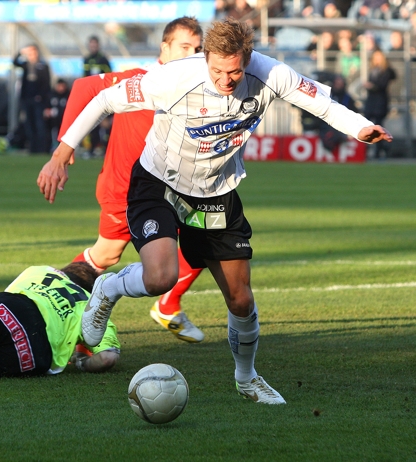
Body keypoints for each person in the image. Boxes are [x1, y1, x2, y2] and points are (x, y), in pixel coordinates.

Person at [42, 19, 392, 405]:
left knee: (240, 299)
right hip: (159, 180)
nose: (226, 79)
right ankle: (108, 289)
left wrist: (359, 128)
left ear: (248, 59)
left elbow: (321, 103)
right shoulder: (175, 78)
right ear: (205, 58)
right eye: (218, 70)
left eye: (235, 71)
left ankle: (247, 378)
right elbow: (104, 99)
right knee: (160, 276)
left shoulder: (272, 73)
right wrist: (62, 152)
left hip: (216, 191)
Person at [38, 17, 205, 344]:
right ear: (165, 47)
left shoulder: (196, 84)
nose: (192, 54)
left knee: (208, 236)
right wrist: (64, 150)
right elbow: (84, 88)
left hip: (168, 190)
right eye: (185, 47)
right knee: (106, 255)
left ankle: (167, 305)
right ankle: (45, 307)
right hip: (126, 190)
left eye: (198, 49)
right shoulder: (141, 78)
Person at [13, 44, 51, 154]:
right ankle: (32, 148)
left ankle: (42, 149)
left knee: (39, 125)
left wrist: (43, 98)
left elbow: (46, 84)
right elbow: (15, 62)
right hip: (27, 99)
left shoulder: (42, 66)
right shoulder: (26, 65)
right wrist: (20, 52)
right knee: (29, 125)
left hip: (38, 101)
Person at [363, 50, 396, 158]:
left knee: (379, 127)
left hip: (380, 103)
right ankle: (366, 150)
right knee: (367, 126)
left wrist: (372, 86)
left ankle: (378, 151)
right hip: (371, 102)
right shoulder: (373, 70)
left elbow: (382, 86)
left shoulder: (386, 71)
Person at [83, 36, 112, 157]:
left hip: (103, 95)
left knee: (105, 123)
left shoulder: (103, 59)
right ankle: (92, 149)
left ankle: (106, 149)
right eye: (91, 44)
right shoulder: (87, 59)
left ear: (98, 45)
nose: (93, 47)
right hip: (91, 96)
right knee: (92, 123)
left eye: (95, 44)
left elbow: (109, 77)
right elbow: (85, 77)